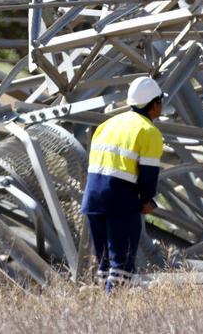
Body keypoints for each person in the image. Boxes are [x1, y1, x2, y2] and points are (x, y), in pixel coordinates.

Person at [80, 76, 165, 292]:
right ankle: (114, 315)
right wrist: (146, 200)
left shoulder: (107, 124)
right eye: (161, 101)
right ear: (154, 104)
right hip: (120, 201)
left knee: (104, 265)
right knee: (122, 265)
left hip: (93, 200)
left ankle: (104, 310)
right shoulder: (149, 132)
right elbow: (148, 175)